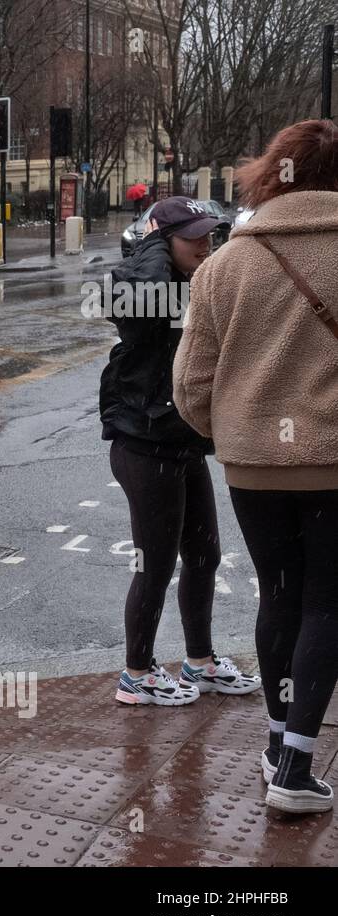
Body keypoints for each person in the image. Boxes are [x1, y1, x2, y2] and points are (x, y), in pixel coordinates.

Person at [175, 119, 338, 814]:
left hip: (251, 465)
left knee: (278, 597)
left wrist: (235, 434)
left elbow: (190, 385)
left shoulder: (224, 265)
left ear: (272, 172)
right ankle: (297, 765)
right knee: (328, 603)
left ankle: (276, 742)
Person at [98, 195, 262, 706]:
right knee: (155, 563)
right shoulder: (138, 285)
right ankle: (136, 673)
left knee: (204, 555)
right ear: (162, 241)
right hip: (143, 445)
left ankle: (201, 661)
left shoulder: (193, 283)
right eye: (192, 235)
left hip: (182, 442)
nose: (205, 243)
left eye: (209, 234)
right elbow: (134, 306)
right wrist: (152, 248)